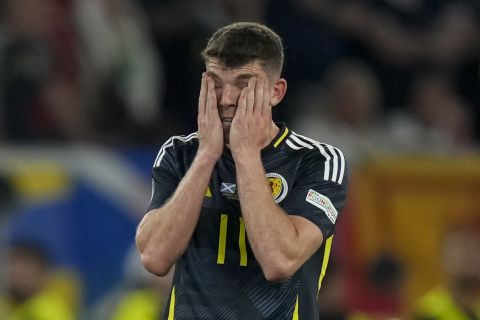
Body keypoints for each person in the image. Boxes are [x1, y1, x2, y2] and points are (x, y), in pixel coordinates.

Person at [136, 22, 349, 319]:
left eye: (244, 84)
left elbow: (279, 261)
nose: (226, 99)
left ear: (276, 92)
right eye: (216, 83)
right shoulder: (181, 154)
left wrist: (246, 154)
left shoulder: (318, 161)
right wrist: (207, 155)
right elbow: (154, 257)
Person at [413, 224, 480, 320]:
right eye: (460, 250)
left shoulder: (476, 307)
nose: (468, 257)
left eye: (474, 249)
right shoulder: (430, 310)